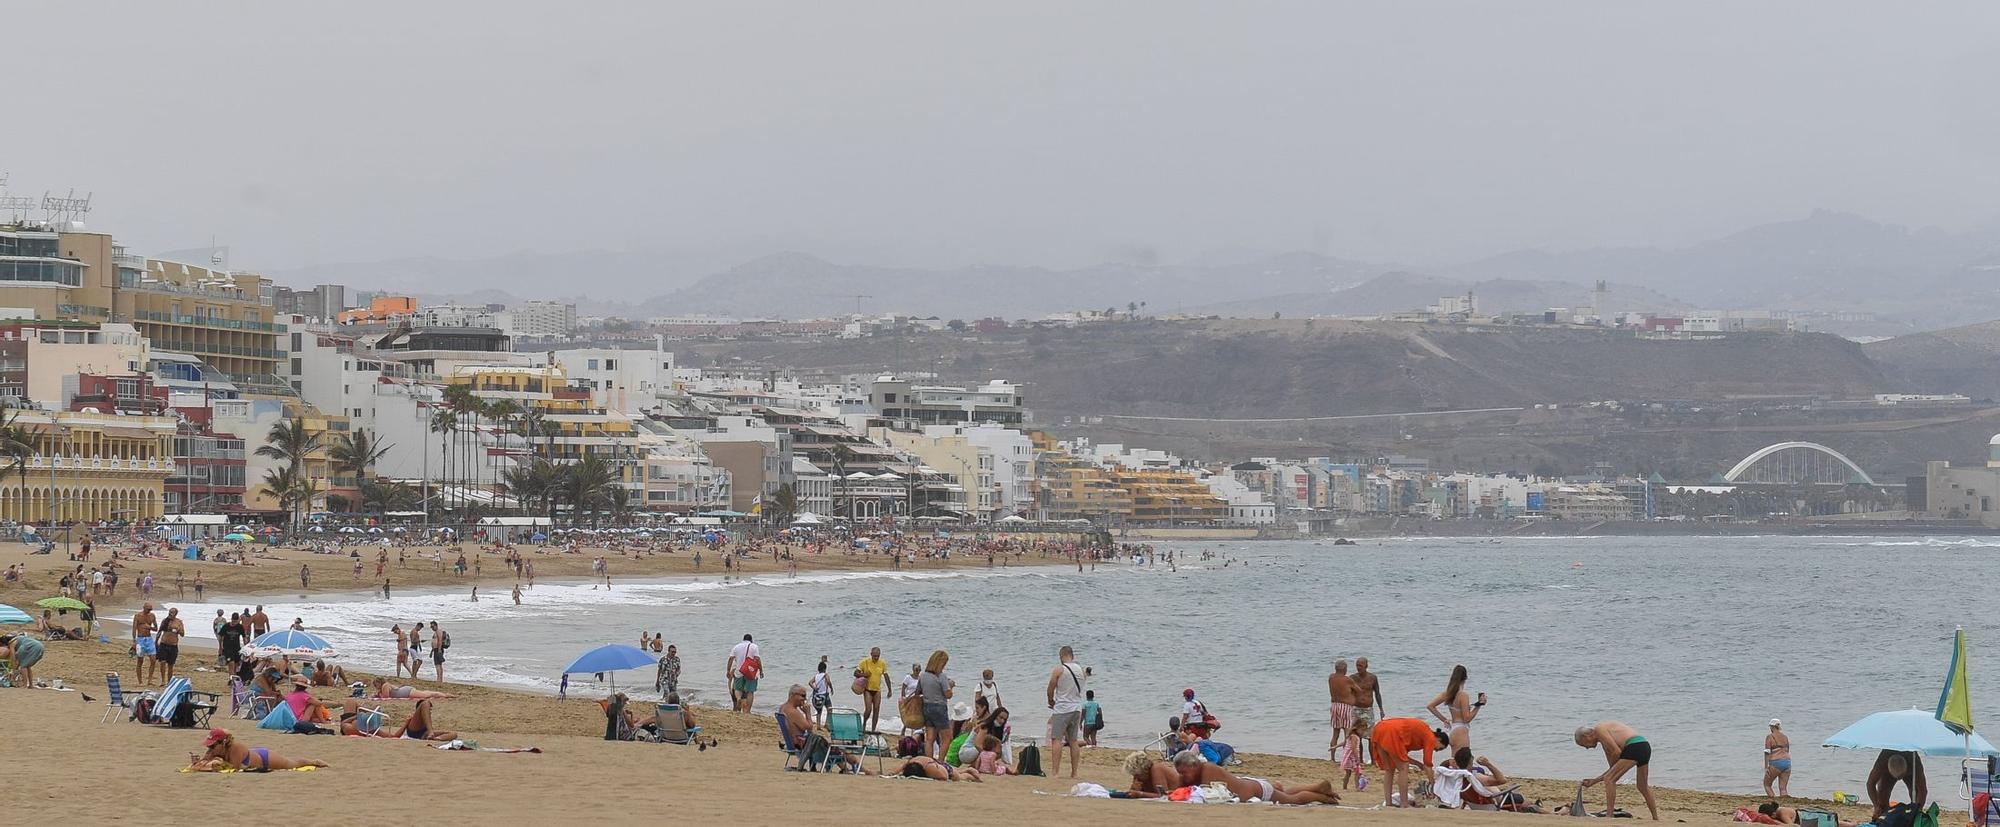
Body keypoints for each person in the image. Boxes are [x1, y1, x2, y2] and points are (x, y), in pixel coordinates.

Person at [1172, 750, 1341, 804]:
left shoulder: (1208, 769)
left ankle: (1322, 797)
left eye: (1184, 772)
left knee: (1291, 799)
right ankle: (1317, 787)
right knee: (1285, 793)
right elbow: (1179, 791)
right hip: (1250, 784)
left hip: (1259, 791)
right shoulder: (1190, 774)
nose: (1182, 776)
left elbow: (1206, 795)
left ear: (1194, 766)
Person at [1576, 720, 1661, 820]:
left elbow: (1616, 752)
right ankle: (1655, 818)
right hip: (1644, 746)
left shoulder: (1599, 729)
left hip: (1634, 746)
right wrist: (1594, 781)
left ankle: (1609, 815)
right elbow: (1612, 769)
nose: (1587, 748)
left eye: (1584, 744)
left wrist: (1610, 774)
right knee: (1642, 786)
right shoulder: (1605, 743)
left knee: (1609, 779)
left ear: (1586, 736)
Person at [1371, 716, 1447, 808]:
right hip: (1392, 731)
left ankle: (1388, 803)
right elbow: (1428, 764)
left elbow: (1403, 756)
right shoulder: (1430, 737)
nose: (1436, 750)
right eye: (1440, 748)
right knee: (1403, 768)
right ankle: (1404, 803)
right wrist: (1433, 785)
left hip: (1380, 728)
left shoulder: (1422, 734)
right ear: (1438, 739)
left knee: (1389, 769)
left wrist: (1418, 764)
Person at [188, 728, 328, 772]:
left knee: (291, 763)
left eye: (212, 745)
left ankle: (314, 761)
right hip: (254, 755)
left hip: (264, 758)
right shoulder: (214, 750)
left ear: (223, 742)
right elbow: (201, 764)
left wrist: (212, 763)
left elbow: (233, 768)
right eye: (209, 745)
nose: (210, 748)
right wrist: (198, 762)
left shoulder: (235, 747)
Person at [1045, 645, 1087, 779]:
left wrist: (1051, 701)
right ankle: (1074, 772)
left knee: (1056, 740)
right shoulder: (1080, 670)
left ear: (1061, 656)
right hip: (1076, 708)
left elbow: (1051, 687)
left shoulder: (1060, 669)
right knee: (1073, 741)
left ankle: (1055, 772)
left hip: (1062, 708)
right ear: (1072, 656)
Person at [1426, 664, 1483, 751]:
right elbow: (1466, 719)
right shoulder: (1463, 695)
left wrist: (1444, 719)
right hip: (1461, 730)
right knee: (1463, 761)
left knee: (1455, 760)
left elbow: (1430, 706)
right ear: (1465, 678)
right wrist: (1479, 706)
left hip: (1453, 728)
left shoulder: (1447, 693)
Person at [1866, 750, 1926, 822]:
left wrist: (1918, 810)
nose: (1899, 779)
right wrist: (1876, 805)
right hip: (1888, 772)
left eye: (1902, 776)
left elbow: (1923, 790)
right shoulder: (1882, 761)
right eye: (1897, 777)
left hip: (1910, 772)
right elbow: (1870, 784)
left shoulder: (1914, 762)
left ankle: (1914, 817)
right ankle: (1884, 819)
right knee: (1882, 795)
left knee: (1915, 794)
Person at [918, 650, 954, 759]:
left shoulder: (923, 675)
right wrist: (950, 686)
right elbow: (948, 694)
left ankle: (929, 761)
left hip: (927, 706)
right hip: (939, 707)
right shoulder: (941, 676)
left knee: (930, 738)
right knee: (947, 738)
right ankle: (941, 761)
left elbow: (918, 691)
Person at [1327, 658, 1359, 760]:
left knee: (1335, 733)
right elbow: (1358, 690)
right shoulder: (1347, 680)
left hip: (1334, 706)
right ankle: (1346, 758)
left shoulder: (1331, 678)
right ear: (1344, 669)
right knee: (1347, 733)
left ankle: (1332, 757)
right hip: (1345, 707)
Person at [1353, 656, 1384, 759]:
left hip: (1368, 710)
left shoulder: (1372, 678)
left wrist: (1381, 709)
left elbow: (1377, 693)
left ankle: (1373, 760)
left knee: (1371, 737)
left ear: (1366, 666)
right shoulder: (1352, 678)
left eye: (1361, 666)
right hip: (1356, 709)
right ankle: (1360, 759)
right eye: (1357, 665)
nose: (1358, 668)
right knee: (1358, 736)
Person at [392, 698, 458, 741]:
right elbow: (395, 736)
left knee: (454, 734)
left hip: (424, 734)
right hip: (414, 730)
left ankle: (436, 739)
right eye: (429, 709)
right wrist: (406, 723)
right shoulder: (416, 716)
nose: (430, 711)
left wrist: (436, 737)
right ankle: (431, 732)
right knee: (426, 703)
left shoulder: (427, 718)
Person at [857, 646, 889, 733]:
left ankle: (873, 729)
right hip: (867, 690)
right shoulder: (865, 662)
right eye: (874, 656)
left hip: (877, 690)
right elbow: (855, 673)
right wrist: (864, 674)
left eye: (877, 656)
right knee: (868, 709)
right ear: (871, 654)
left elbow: (886, 676)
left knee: (876, 709)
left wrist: (889, 690)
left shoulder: (882, 663)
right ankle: (864, 725)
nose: (876, 658)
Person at [728, 634, 762, 712]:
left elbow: (731, 659)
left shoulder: (736, 647)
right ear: (751, 640)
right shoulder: (754, 646)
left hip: (739, 671)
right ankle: (747, 710)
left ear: (743, 639)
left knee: (738, 689)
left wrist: (728, 669)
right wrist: (761, 670)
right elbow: (757, 659)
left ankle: (739, 698)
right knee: (750, 691)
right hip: (750, 672)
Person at [1764, 718, 1792, 798]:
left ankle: (1773, 801)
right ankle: (1785, 803)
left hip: (1776, 762)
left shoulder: (1770, 737)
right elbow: (1787, 750)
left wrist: (1766, 767)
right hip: (1787, 762)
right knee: (1783, 788)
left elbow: (1767, 752)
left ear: (1772, 727)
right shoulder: (1785, 737)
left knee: (1767, 784)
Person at [132, 603, 158, 686]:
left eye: (150, 609)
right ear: (144, 608)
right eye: (148, 609)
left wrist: (149, 627)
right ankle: (140, 681)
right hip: (140, 639)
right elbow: (134, 629)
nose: (149, 611)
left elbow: (156, 628)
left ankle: (149, 680)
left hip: (149, 639)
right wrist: (134, 641)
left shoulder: (152, 616)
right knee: (140, 660)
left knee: (153, 660)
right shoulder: (138, 616)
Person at [156, 607, 185, 683]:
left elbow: (182, 634)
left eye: (172, 612)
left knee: (170, 665)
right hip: (164, 644)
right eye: (169, 612)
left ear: (175, 614)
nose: (170, 614)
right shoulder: (165, 621)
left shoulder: (179, 622)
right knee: (162, 662)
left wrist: (177, 630)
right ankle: (163, 681)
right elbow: (160, 631)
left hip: (173, 645)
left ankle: (169, 681)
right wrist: (155, 642)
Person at [368, 676, 454, 700]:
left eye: (376, 685)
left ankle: (445, 695)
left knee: (425, 695)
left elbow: (386, 697)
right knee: (425, 693)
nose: (376, 687)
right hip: (405, 692)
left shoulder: (385, 685)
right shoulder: (384, 686)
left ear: (379, 683)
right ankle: (443, 694)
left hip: (407, 692)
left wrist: (377, 695)